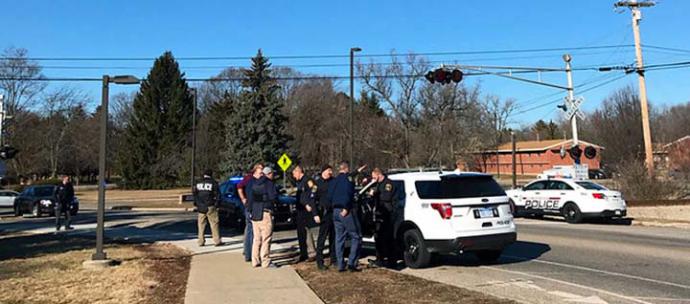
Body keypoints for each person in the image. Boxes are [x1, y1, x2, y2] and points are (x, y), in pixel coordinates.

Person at [328, 161, 361, 272]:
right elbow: (349, 193)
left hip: (335, 211)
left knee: (339, 238)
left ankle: (340, 264)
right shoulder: (348, 179)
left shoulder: (334, 181)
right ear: (346, 168)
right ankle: (352, 263)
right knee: (355, 236)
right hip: (345, 211)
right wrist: (346, 208)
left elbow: (330, 195)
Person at [369, 168, 403, 268]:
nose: (373, 179)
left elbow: (386, 197)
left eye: (374, 177)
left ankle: (392, 262)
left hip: (389, 214)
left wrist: (374, 193)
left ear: (378, 175)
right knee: (378, 237)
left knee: (389, 238)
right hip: (381, 213)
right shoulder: (378, 184)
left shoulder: (388, 184)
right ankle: (380, 259)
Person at [247, 166, 278, 268]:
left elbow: (249, 198)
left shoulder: (252, 183)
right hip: (265, 212)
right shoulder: (269, 183)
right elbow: (274, 197)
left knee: (256, 238)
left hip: (255, 213)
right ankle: (265, 261)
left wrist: (250, 210)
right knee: (266, 238)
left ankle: (255, 260)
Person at [292, 165, 320, 262]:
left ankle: (312, 253)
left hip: (306, 210)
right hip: (300, 210)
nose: (294, 175)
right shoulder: (299, 182)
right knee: (301, 233)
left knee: (307, 231)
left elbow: (314, 191)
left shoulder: (308, 180)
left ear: (299, 172)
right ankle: (303, 253)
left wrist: (309, 203)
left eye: (294, 173)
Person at [238, 163, 263, 262]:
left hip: (255, 207)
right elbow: (239, 187)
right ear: (255, 169)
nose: (262, 171)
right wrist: (243, 198)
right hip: (251, 207)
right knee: (252, 231)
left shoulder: (258, 179)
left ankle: (249, 253)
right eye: (260, 168)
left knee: (250, 230)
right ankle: (250, 254)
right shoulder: (248, 179)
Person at [194, 169, 223, 247]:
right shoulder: (213, 183)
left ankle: (201, 241)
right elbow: (218, 195)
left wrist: (197, 204)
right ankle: (217, 240)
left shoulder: (198, 183)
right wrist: (217, 204)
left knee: (201, 224)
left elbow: (195, 194)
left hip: (201, 207)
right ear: (211, 174)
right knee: (214, 223)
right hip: (211, 206)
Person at [314, 165, 335, 270]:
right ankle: (319, 261)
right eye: (328, 171)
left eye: (331, 171)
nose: (330, 173)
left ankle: (334, 258)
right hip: (323, 213)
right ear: (323, 171)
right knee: (322, 238)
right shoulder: (317, 183)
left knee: (334, 237)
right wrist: (315, 214)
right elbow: (312, 200)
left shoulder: (333, 181)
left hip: (333, 212)